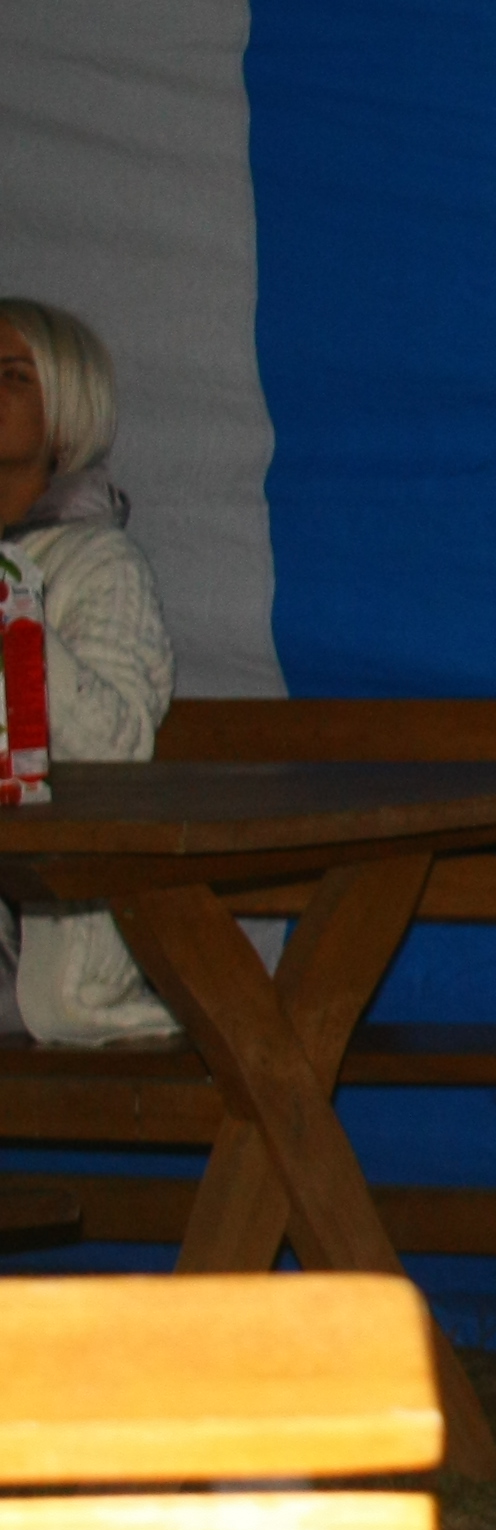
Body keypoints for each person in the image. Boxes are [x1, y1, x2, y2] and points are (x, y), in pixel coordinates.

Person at [0, 299, 176, 1045]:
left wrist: (13, 617)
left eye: (11, 376)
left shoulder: (100, 564)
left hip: (42, 942)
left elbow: (115, 747)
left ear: (67, 419)